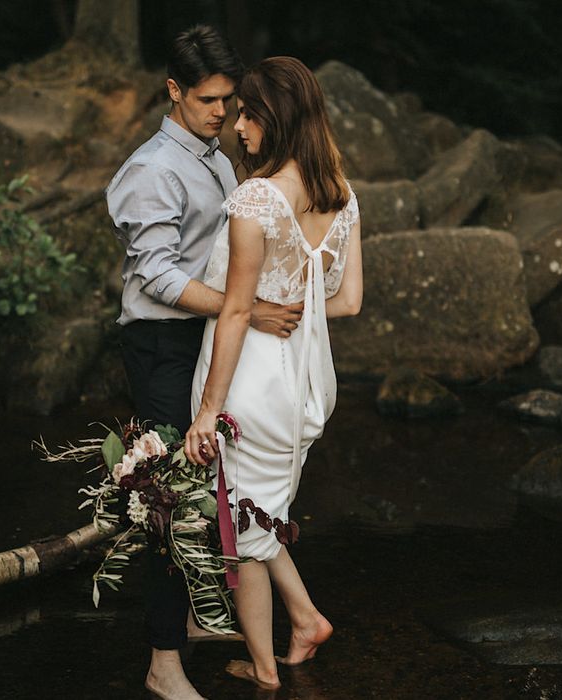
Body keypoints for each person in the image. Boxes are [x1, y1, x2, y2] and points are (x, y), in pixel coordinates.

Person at [106, 27, 304, 700]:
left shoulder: (217, 157)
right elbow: (158, 277)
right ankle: (163, 664)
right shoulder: (150, 171)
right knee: (170, 499)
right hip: (161, 345)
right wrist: (239, 308)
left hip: (205, 338)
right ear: (173, 91)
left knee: (213, 485)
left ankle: (194, 616)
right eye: (207, 99)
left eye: (229, 100)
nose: (221, 112)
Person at [185, 56, 364, 691]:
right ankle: (307, 620)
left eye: (248, 115)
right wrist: (297, 299)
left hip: (252, 382)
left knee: (241, 528)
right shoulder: (341, 199)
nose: (237, 126)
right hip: (307, 383)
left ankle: (265, 673)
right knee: (258, 516)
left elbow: (235, 310)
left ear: (274, 120)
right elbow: (347, 302)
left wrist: (207, 411)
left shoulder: (255, 198)